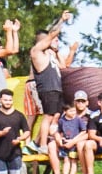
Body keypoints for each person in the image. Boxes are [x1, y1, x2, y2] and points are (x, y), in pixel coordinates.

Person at [26, 11, 72, 147]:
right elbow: (53, 33)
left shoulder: (50, 54)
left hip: (56, 88)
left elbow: (63, 67)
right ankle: (42, 145)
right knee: (48, 116)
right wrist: (61, 20)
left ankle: (37, 142)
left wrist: (58, 53)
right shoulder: (37, 52)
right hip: (47, 88)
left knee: (56, 115)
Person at [54, 93, 95, 174]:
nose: (80, 103)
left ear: (87, 102)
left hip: (81, 141)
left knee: (75, 155)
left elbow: (87, 132)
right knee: (54, 148)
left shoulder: (91, 115)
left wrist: (73, 141)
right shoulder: (64, 117)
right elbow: (58, 130)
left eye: (83, 101)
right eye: (78, 101)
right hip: (66, 141)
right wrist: (59, 138)